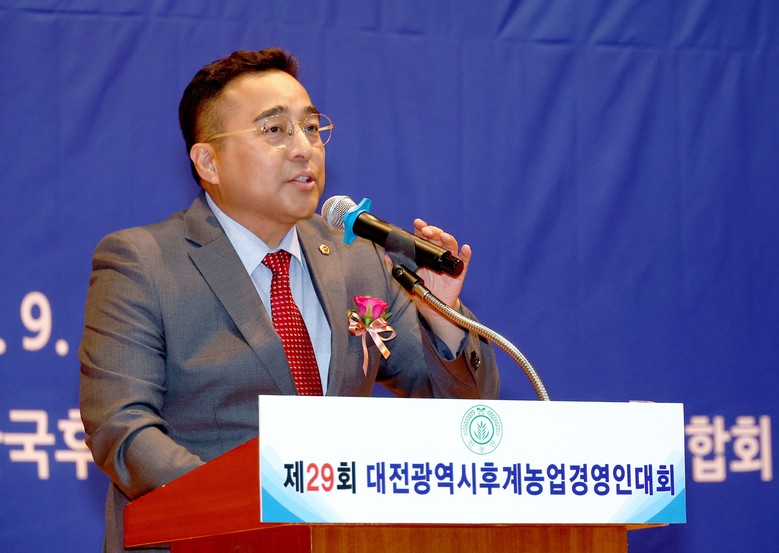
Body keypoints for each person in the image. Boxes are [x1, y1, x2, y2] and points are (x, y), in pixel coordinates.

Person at [79, 48, 499, 552]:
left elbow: (464, 409)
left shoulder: (358, 258)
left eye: (312, 128)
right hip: (205, 539)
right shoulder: (143, 262)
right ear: (209, 161)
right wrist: (252, 507)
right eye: (275, 130)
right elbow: (122, 430)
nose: (304, 148)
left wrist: (441, 316)